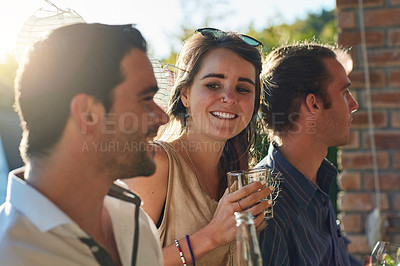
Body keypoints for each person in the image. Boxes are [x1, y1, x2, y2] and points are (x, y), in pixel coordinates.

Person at [0, 23, 169, 265]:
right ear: (88, 113)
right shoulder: (12, 255)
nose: (163, 117)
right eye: (146, 99)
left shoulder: (133, 219)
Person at [125, 28, 272, 266]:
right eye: (213, 85)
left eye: (243, 88)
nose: (230, 98)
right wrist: (212, 235)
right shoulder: (154, 164)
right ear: (185, 94)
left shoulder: (240, 174)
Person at [255, 43, 362, 265]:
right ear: (313, 104)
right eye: (344, 93)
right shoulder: (265, 208)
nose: (354, 104)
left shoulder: (315, 178)